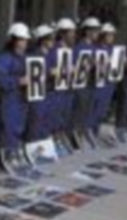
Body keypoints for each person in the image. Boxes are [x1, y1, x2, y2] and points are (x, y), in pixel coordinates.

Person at [0, 23, 31, 152]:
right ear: (13, 40)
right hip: (10, 98)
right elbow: (0, 79)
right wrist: (18, 81)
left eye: (25, 40)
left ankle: (14, 152)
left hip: (22, 98)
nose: (24, 43)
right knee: (9, 127)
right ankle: (5, 154)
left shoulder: (25, 58)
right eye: (21, 40)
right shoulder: (5, 58)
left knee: (19, 126)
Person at [72, 17, 101, 140]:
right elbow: (74, 66)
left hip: (91, 83)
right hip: (81, 85)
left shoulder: (95, 48)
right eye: (94, 30)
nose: (97, 34)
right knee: (80, 110)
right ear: (87, 31)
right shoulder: (79, 47)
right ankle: (76, 135)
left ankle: (83, 134)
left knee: (88, 110)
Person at [26, 24, 56, 143]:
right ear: (43, 40)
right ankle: (32, 143)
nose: (53, 41)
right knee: (36, 119)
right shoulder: (35, 54)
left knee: (46, 118)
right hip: (38, 94)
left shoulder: (49, 54)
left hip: (48, 91)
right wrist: (49, 71)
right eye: (50, 38)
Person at [51, 18, 78, 147]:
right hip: (56, 91)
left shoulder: (70, 50)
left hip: (67, 90)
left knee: (65, 116)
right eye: (70, 33)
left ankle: (60, 139)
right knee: (55, 117)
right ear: (62, 34)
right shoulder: (55, 50)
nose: (73, 35)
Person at [92, 22, 118, 135]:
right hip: (98, 84)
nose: (111, 38)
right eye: (109, 35)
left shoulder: (113, 50)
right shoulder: (96, 49)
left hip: (109, 84)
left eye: (112, 35)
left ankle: (96, 131)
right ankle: (91, 131)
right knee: (94, 110)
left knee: (103, 110)